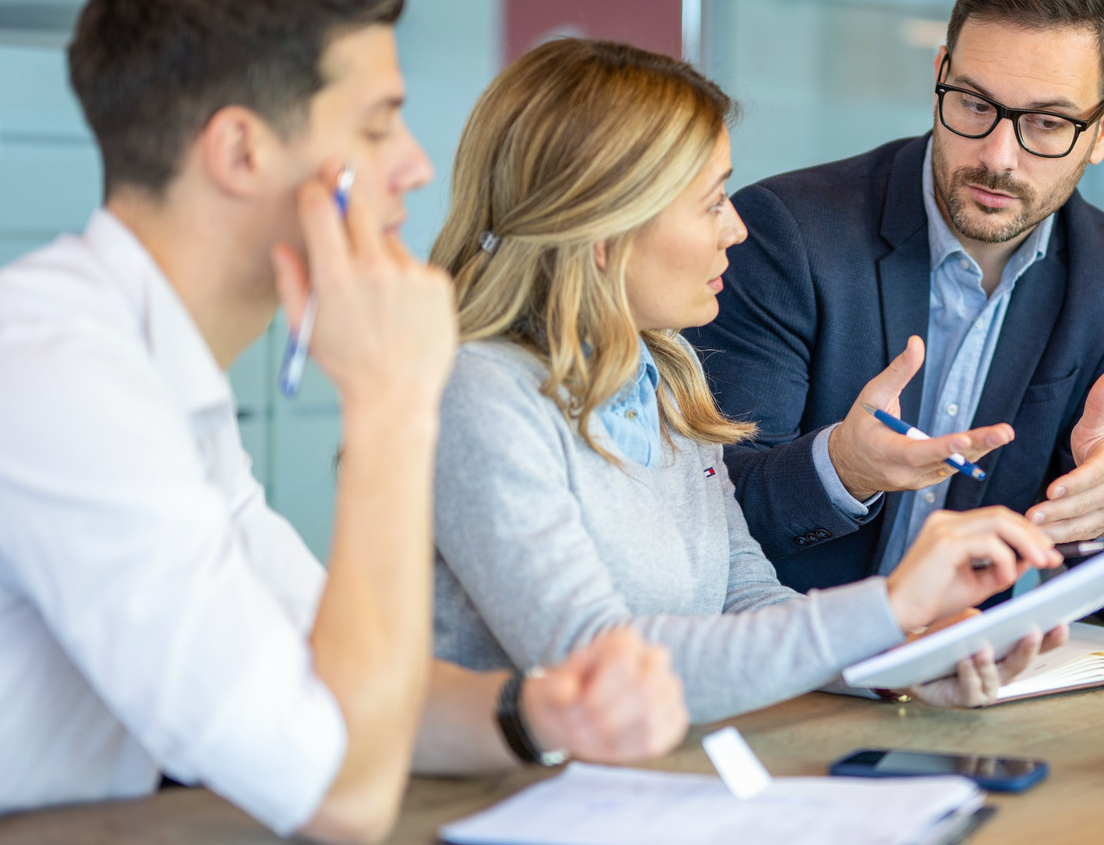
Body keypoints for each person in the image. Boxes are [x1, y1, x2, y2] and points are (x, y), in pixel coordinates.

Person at [0, 0, 686, 841]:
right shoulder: (58, 387)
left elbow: (344, 690)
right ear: (242, 152)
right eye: (378, 126)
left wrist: (536, 715)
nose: (415, 165)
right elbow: (341, 796)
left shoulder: (154, 378)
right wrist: (390, 405)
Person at [428, 38, 1068, 724]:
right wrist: (885, 609)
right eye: (711, 202)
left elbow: (742, 593)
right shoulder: (480, 397)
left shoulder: (663, 373)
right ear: (604, 231)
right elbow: (595, 662)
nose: (735, 228)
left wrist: (898, 657)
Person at [687, 0, 1104, 617]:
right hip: (786, 663)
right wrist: (842, 469)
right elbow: (702, 518)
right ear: (941, 73)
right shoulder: (789, 233)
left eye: (1047, 123)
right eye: (974, 104)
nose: (997, 158)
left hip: (967, 680)